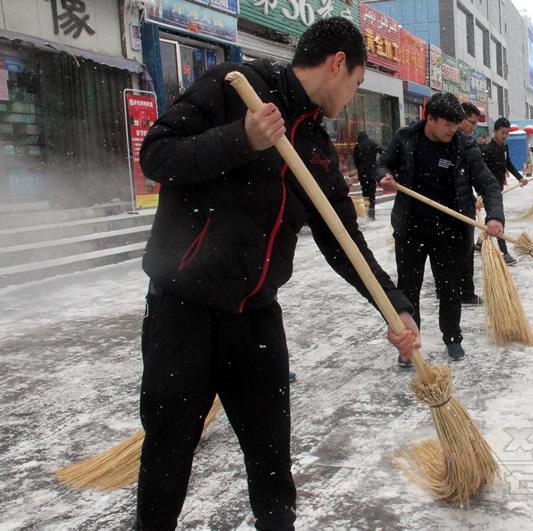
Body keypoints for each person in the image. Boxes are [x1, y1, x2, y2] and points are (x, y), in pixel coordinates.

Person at [136, 17, 420, 530]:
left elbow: (343, 239)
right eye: (357, 83)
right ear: (338, 64)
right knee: (168, 453)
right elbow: (156, 156)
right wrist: (241, 138)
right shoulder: (233, 87)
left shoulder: (313, 144)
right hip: (184, 313)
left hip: (255, 319)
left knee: (271, 461)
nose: (354, 97)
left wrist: (394, 304)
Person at [377, 93, 504, 365]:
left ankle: (453, 338)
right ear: (429, 118)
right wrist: (383, 177)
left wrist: (494, 216)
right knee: (408, 288)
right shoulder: (405, 138)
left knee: (450, 288)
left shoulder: (463, 145)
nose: (452, 130)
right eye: (447, 124)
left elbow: (488, 183)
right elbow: (382, 163)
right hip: (411, 228)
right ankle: (409, 345)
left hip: (450, 229)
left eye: (455, 124)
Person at [480, 117, 528, 265]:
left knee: (492, 217)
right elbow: (480, 172)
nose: (505, 135)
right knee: (498, 220)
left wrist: (520, 177)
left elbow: (508, 164)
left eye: (507, 132)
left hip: (497, 189)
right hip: (488, 190)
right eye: (502, 132)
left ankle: (478, 243)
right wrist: (480, 193)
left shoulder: (504, 147)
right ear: (495, 131)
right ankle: (504, 252)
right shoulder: (487, 150)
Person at [456, 102, 483, 306]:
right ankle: (449, 291)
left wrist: (475, 198)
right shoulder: (446, 143)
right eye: (472, 123)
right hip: (446, 209)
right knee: (451, 254)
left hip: (465, 206)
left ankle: (466, 292)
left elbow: (480, 176)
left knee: (466, 250)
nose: (474, 127)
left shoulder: (469, 145)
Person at [353, 131, 382, 220]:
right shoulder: (372, 143)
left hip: (363, 174)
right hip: (372, 172)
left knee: (365, 193)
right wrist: (378, 163)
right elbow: (383, 152)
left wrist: (359, 169)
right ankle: (371, 214)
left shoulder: (358, 146)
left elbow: (356, 161)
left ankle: (368, 212)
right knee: (372, 193)